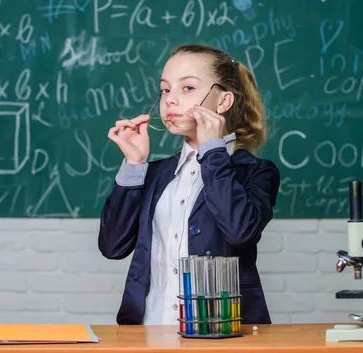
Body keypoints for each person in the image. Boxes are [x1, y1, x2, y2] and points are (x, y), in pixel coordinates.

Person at [98, 44, 280, 325]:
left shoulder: (256, 172)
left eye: (187, 88)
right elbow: (112, 247)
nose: (170, 100)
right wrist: (134, 164)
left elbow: (239, 232)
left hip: (222, 333)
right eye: (165, 90)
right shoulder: (156, 173)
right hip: (149, 332)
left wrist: (212, 150)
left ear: (223, 102)